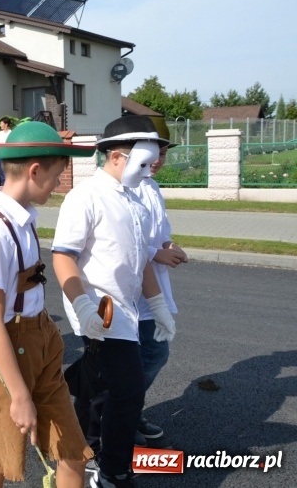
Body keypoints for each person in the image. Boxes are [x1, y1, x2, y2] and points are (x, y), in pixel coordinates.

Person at [0, 120, 96, 487]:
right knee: (0, 460)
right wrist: (19, 394)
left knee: (73, 451)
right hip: (4, 347)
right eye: (57, 176)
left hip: (39, 339)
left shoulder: (24, 220)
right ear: (35, 171)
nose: (58, 185)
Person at [51, 115, 177, 488]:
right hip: (101, 314)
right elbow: (62, 256)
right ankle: (110, 471)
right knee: (127, 389)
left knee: (110, 386)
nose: (150, 168)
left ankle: (94, 455)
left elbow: (141, 263)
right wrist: (83, 306)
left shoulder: (134, 199)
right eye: (144, 161)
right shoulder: (85, 197)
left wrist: (158, 307)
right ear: (118, 156)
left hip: (130, 309)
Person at [133, 118, 188, 446]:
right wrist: (157, 252)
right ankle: (113, 416)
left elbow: (157, 233)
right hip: (132, 293)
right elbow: (127, 240)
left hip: (152, 287)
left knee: (151, 354)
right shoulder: (126, 188)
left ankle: (125, 410)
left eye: (163, 153)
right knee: (151, 354)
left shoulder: (152, 188)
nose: (158, 159)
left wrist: (168, 246)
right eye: (153, 151)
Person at [0, 117, 12, 186]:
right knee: (1, 172)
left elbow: (8, 144)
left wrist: (1, 145)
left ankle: (8, 186)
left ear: (6, 124)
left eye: (1, 123)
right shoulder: (0, 133)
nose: (0, 125)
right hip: (0, 154)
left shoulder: (10, 133)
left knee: (7, 172)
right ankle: (3, 186)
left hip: (7, 155)